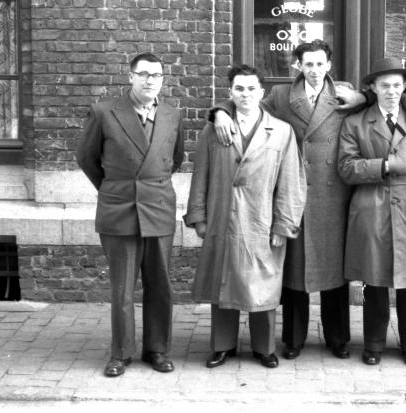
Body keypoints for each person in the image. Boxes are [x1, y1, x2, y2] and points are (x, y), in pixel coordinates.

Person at [210, 40, 406, 361]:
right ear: (297, 66)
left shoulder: (347, 93)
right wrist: (219, 112)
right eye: (307, 64)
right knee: (296, 271)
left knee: (334, 272)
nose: (314, 70)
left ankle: (338, 338)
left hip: (335, 194)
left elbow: (385, 95)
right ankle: (293, 338)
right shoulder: (282, 97)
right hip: (293, 192)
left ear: (329, 66)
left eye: (320, 64)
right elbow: (248, 106)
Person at [184, 64, 306, 369]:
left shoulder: (281, 132)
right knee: (223, 282)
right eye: (239, 88)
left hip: (261, 220)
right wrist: (199, 216)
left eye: (251, 88)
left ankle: (264, 348)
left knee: (262, 283)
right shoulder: (214, 130)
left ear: (261, 93)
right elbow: (201, 175)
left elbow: (291, 182)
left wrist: (284, 223)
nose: (245, 94)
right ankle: (222, 345)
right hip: (223, 216)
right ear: (230, 93)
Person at [77, 52, 183, 377]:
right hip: (119, 210)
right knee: (122, 287)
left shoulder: (173, 115)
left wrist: (150, 186)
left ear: (163, 80)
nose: (151, 80)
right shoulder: (105, 112)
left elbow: (175, 159)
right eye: (144, 74)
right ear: (130, 77)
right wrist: (113, 188)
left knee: (159, 284)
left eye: (157, 75)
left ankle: (157, 350)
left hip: (158, 209)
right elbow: (86, 158)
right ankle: (120, 353)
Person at [337, 58, 406, 366]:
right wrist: (381, 166)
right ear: (372, 88)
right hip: (372, 205)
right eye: (384, 86)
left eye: (397, 85)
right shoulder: (356, 122)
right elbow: (346, 167)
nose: (392, 92)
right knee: (376, 281)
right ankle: (373, 344)